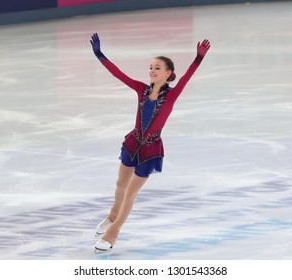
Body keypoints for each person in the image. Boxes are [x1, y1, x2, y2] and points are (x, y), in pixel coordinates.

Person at [90, 33, 210, 251]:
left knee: (131, 192)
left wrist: (198, 58)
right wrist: (100, 55)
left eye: (157, 68)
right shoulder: (141, 89)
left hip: (151, 149)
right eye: (150, 67)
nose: (152, 71)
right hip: (133, 142)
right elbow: (119, 74)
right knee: (120, 185)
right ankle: (112, 215)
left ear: (168, 73)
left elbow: (187, 77)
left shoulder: (172, 95)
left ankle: (113, 233)